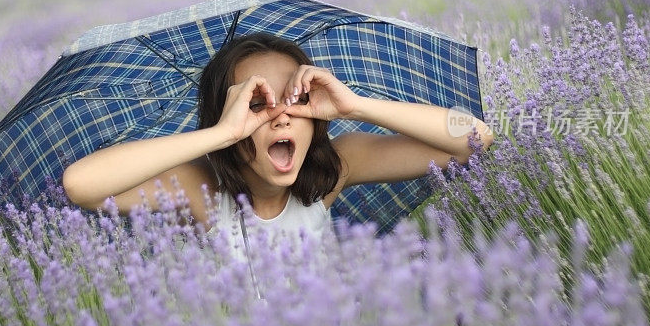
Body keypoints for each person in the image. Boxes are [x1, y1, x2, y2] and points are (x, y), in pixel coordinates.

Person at [62, 32, 494, 244]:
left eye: (297, 97)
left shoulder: (337, 167)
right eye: (256, 103)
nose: (283, 116)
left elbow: (475, 137)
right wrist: (219, 134)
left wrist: (355, 105)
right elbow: (81, 185)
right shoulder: (200, 190)